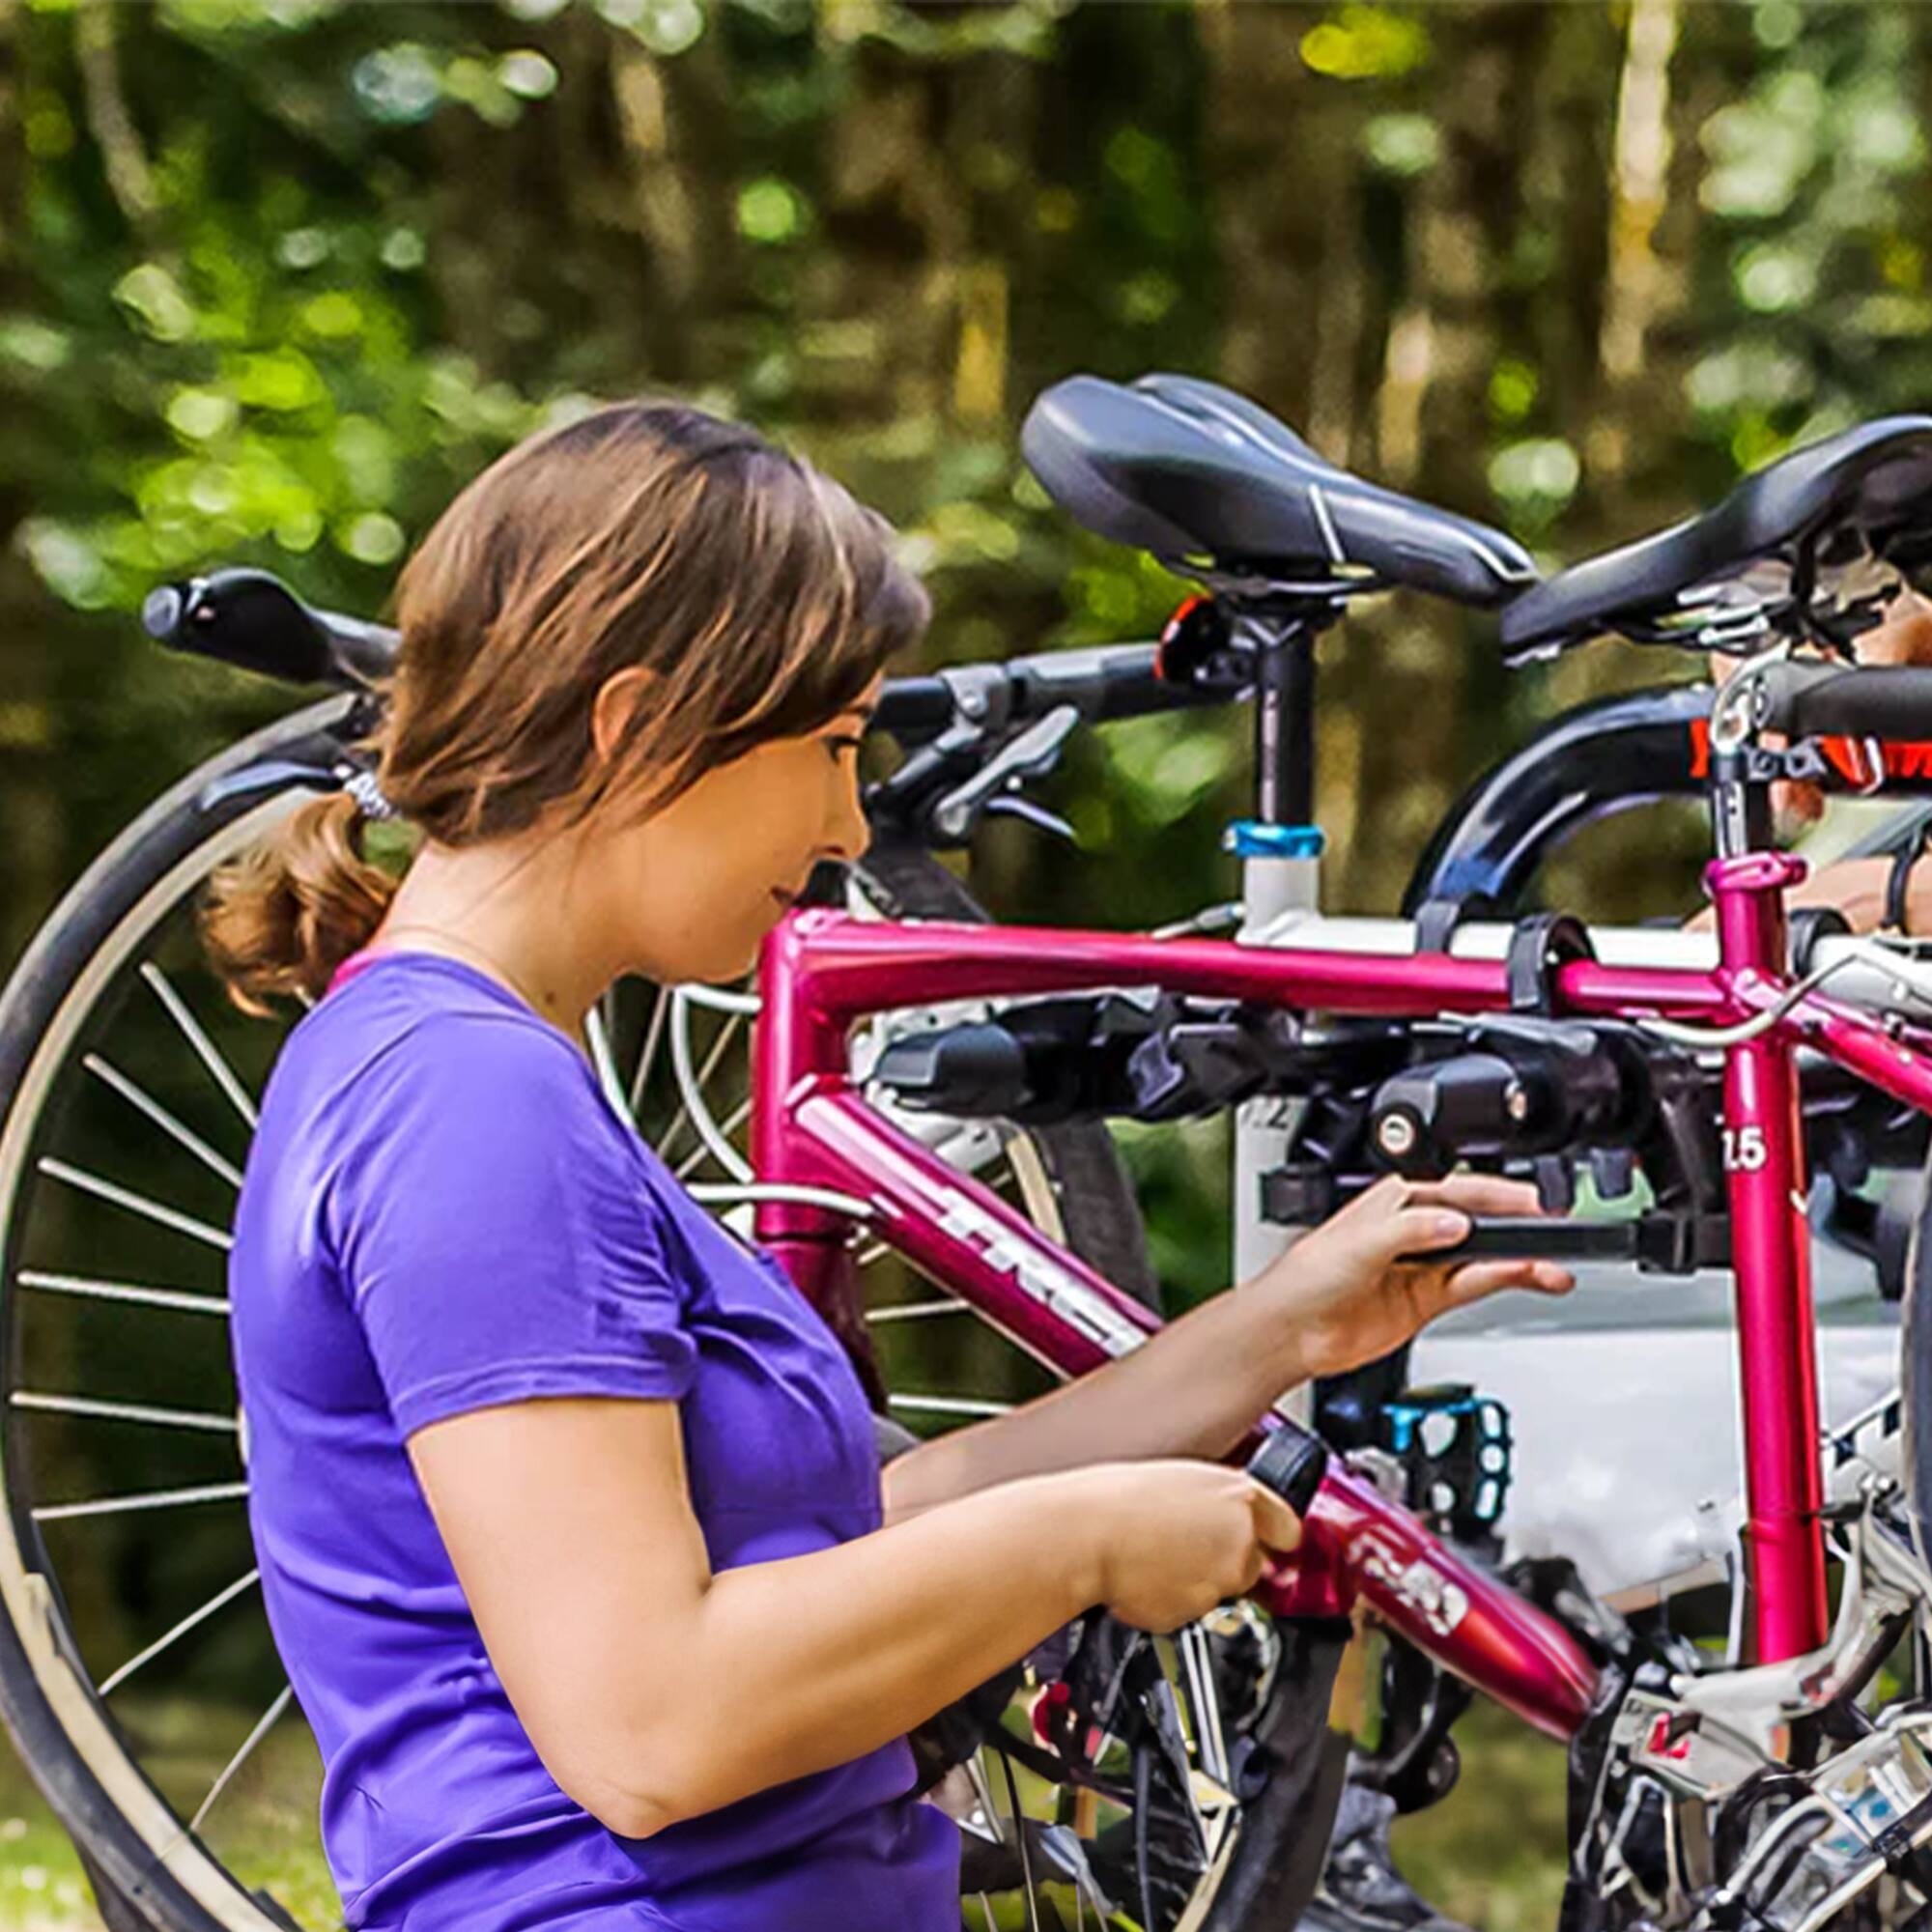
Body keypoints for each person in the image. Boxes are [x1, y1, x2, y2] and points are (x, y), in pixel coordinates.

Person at [205, 398, 1573, 1932]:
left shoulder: (492, 1074)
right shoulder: (467, 1107)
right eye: (837, 744)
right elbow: (652, 1724)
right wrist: (1085, 1543)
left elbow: (858, 1534)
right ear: (636, 722)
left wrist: (1275, 1335)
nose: (857, 820)